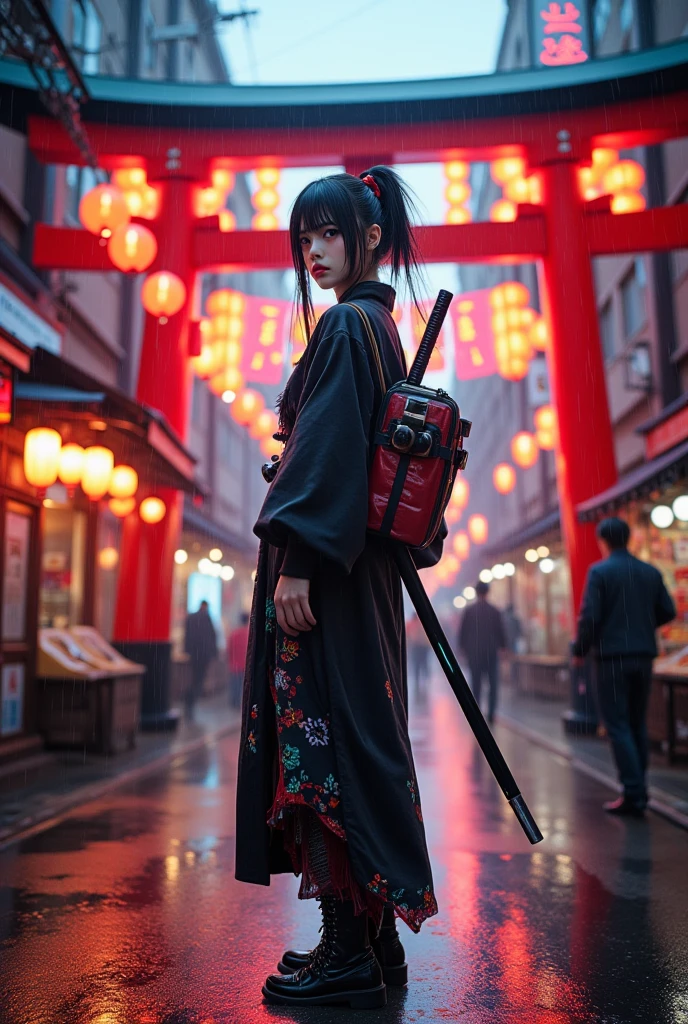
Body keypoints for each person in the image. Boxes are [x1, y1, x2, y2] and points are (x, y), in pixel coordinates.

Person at [235, 167, 446, 1010]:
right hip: (361, 580)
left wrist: (298, 562)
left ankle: (347, 950)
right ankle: (371, 944)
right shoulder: (377, 326)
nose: (314, 252)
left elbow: (327, 453)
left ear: (370, 238)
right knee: (357, 735)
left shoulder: (347, 325)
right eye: (305, 238)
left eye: (329, 234)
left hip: (326, 581)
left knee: (321, 744)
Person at [571, 517, 675, 817]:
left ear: (603, 541)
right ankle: (639, 788)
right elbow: (668, 610)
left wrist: (580, 650)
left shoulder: (600, 572)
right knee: (637, 722)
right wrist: (642, 626)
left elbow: (590, 617)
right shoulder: (649, 571)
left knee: (617, 724)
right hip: (643, 656)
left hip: (611, 657)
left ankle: (633, 792)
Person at [458, 580, 506, 725]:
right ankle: (491, 713)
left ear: (476, 592)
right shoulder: (494, 611)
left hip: (474, 653)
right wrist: (503, 647)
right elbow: (500, 631)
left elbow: (463, 632)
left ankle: (476, 713)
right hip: (491, 652)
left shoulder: (469, 611)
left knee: (476, 683)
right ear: (487, 592)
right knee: (493, 684)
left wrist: (463, 649)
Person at [183, 600, 218, 720]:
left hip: (194, 655)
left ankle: (189, 703)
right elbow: (213, 636)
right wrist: (214, 653)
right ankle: (190, 703)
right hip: (204, 655)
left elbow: (187, 635)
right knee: (198, 680)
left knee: (194, 679)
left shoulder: (191, 617)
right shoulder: (207, 618)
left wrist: (187, 651)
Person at [227, 612, 250, 708]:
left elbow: (229, 649)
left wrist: (230, 661)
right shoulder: (249, 633)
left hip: (235, 664)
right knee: (244, 685)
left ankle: (234, 702)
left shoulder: (234, 634)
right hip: (246, 664)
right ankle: (243, 703)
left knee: (235, 684)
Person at [406, 613, 430, 697]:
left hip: (418, 647)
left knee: (418, 665)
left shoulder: (411, 624)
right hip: (420, 647)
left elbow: (407, 636)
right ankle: (423, 681)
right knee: (421, 664)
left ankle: (420, 682)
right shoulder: (420, 624)